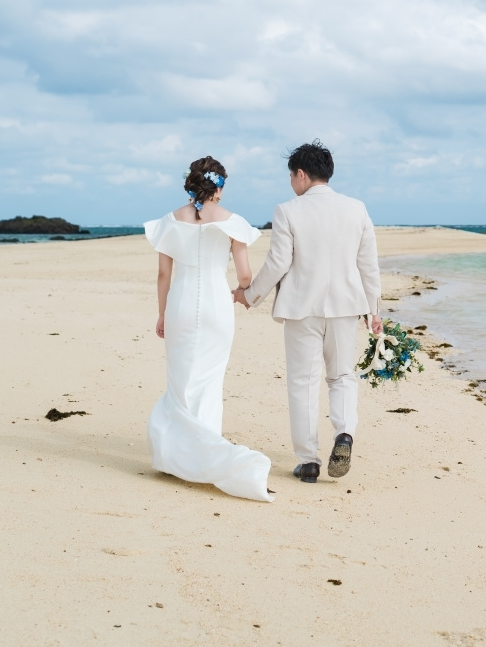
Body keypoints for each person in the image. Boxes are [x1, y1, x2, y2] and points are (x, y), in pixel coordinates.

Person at [235, 142, 381, 483]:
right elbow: (368, 265)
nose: (290, 182)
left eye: (291, 175)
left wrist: (249, 294)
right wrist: (374, 309)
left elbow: (278, 263)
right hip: (347, 307)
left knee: (303, 381)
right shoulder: (357, 208)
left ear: (301, 174)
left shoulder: (288, 210)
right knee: (342, 376)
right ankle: (344, 434)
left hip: (303, 308)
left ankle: (309, 461)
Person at [143, 156, 273, 501]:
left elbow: (163, 275)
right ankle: (205, 454)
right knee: (210, 380)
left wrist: (162, 314)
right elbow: (245, 277)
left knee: (181, 380)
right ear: (220, 185)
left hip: (181, 305)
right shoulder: (234, 222)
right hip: (217, 305)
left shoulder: (171, 221)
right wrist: (242, 291)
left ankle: (176, 456)